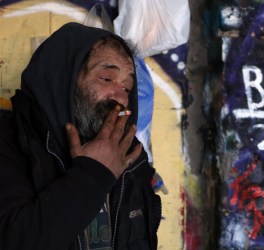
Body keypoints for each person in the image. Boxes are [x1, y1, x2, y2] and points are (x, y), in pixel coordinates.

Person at [0, 22, 161, 249]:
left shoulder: (132, 160)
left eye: (127, 88)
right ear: (62, 80)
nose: (121, 98)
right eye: (107, 79)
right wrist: (93, 175)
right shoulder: (11, 142)